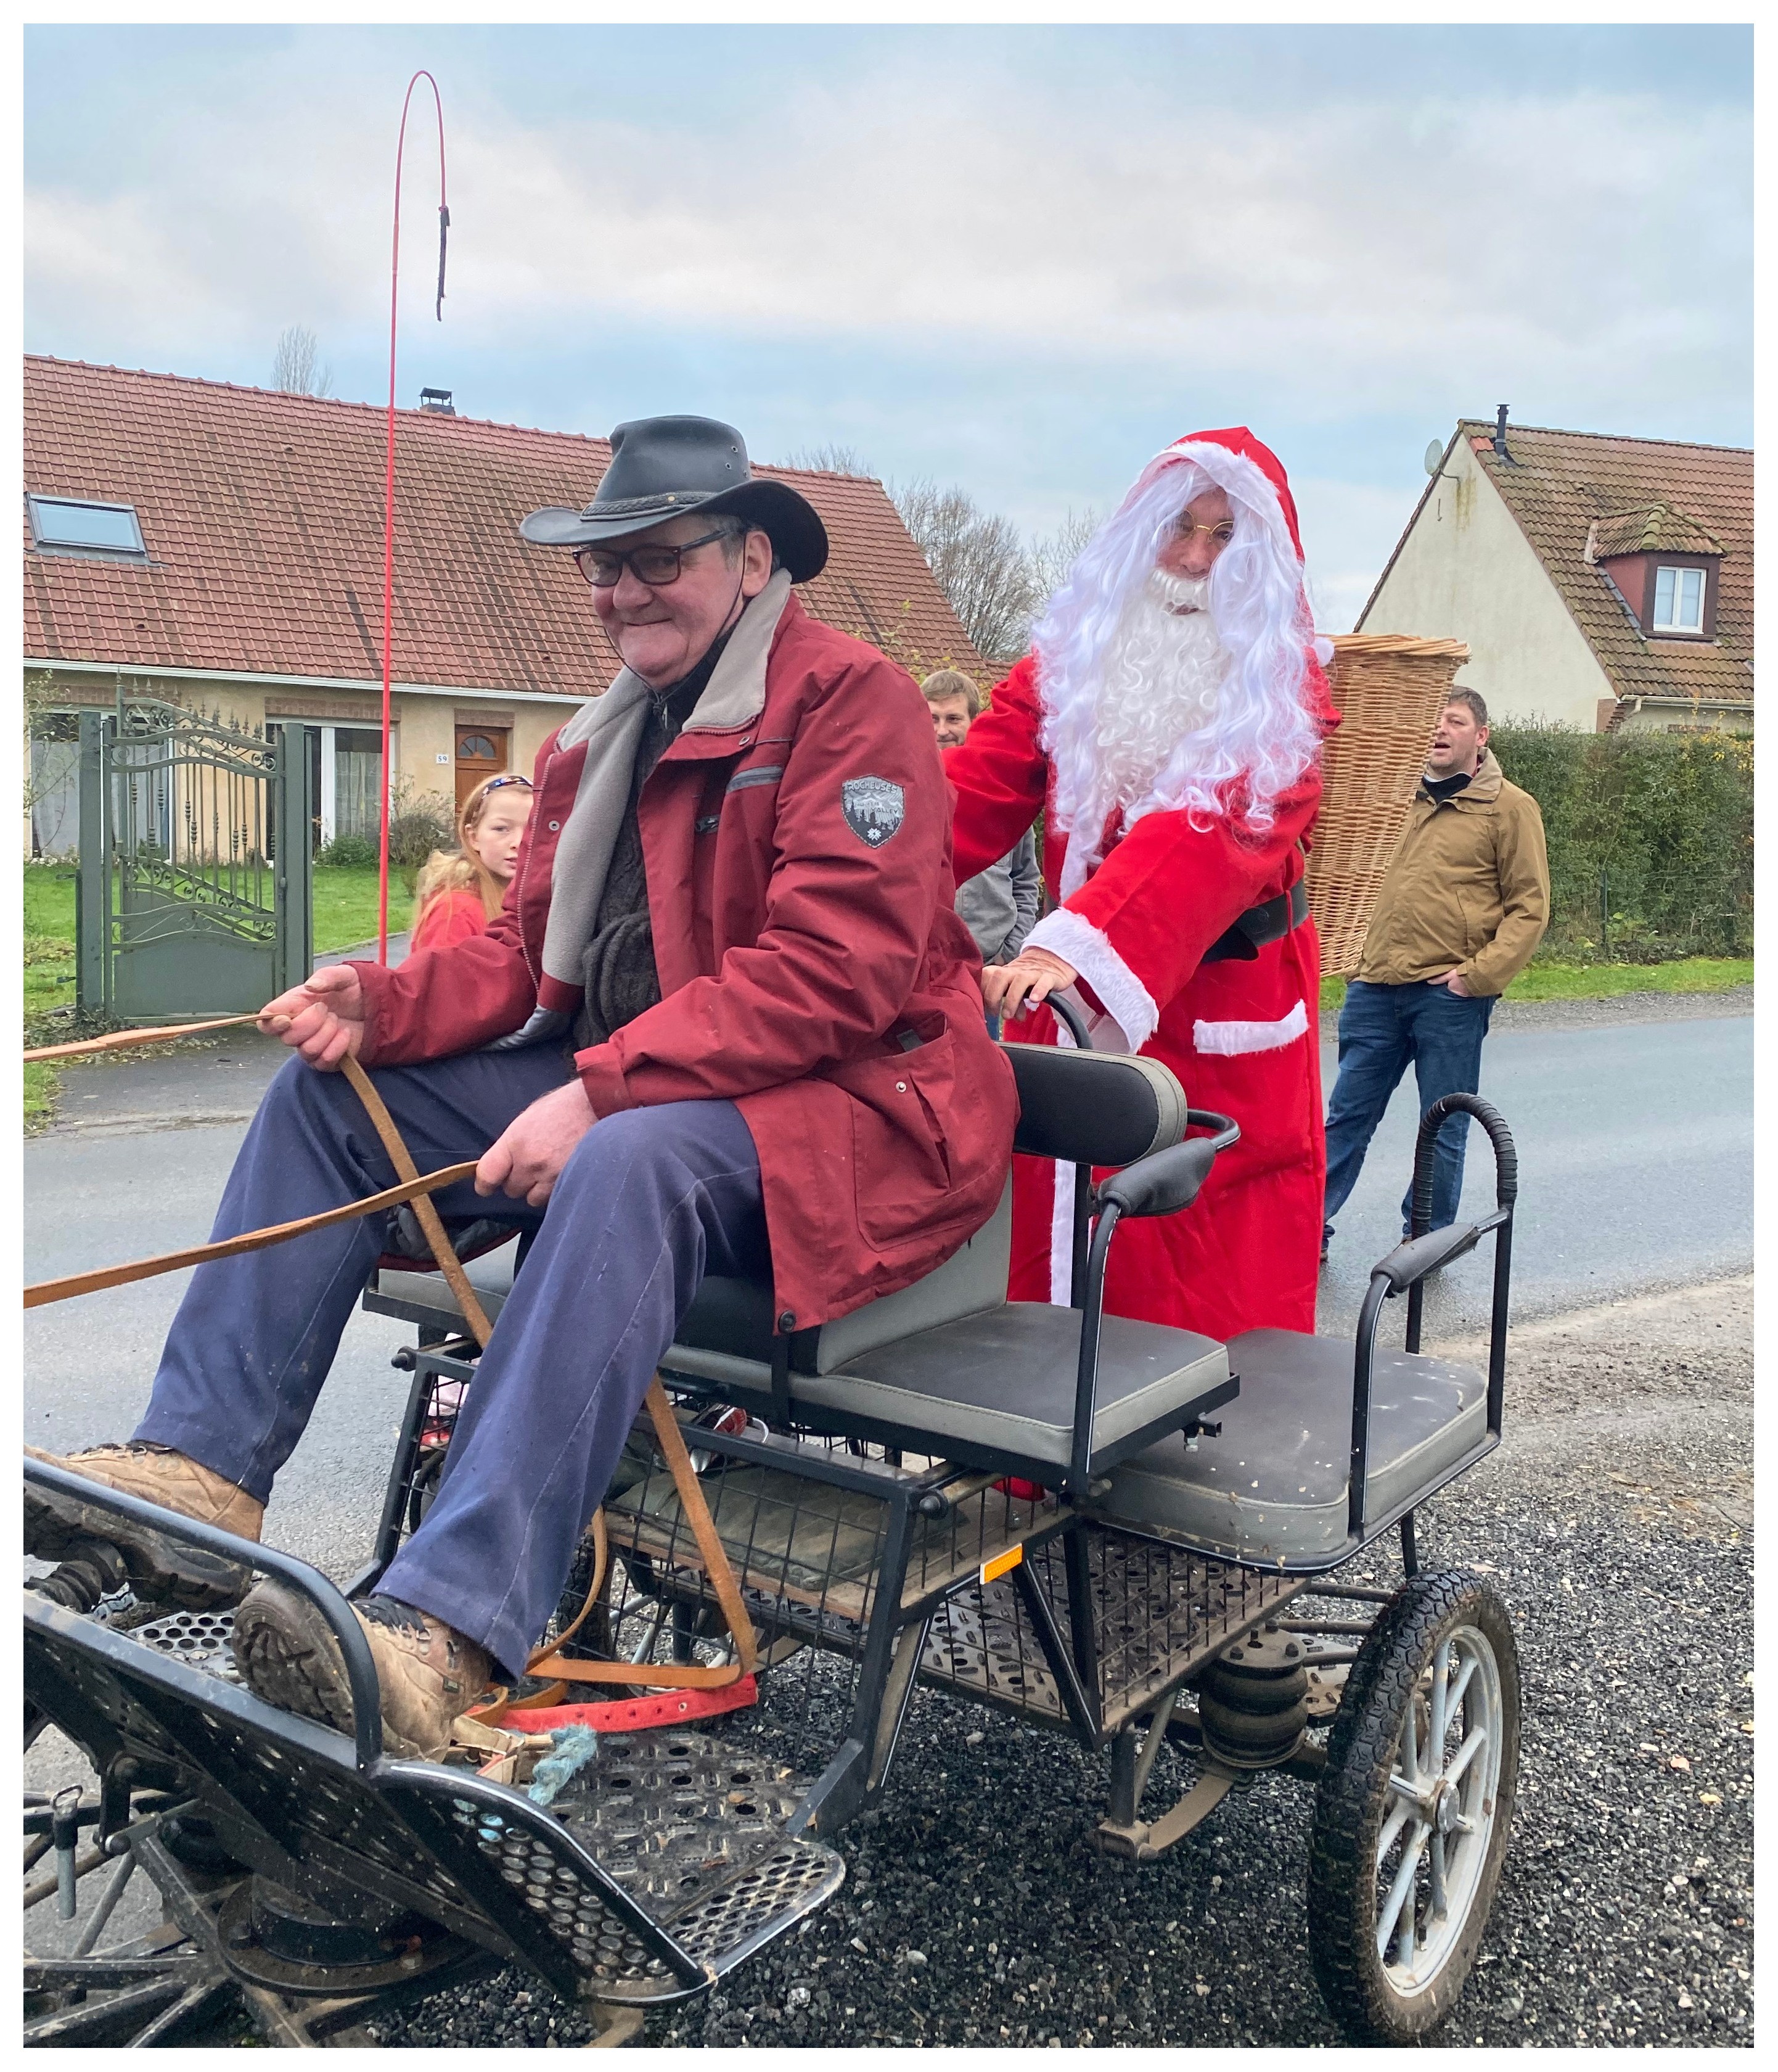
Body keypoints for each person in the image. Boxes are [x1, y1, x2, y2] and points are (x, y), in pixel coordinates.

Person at [25, 414, 1017, 1759]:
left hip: (858, 1113)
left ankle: (446, 1629)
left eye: (653, 560)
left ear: (750, 557)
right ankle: (205, 1475)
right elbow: (514, 960)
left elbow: (832, 978)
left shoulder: (851, 701)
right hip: (666, 1084)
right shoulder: (594, 740)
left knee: (626, 1159)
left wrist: (601, 1093)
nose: (619, 594)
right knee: (332, 1100)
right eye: (602, 568)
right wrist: (374, 1003)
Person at [943, 428, 1337, 1344]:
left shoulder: (1283, 695)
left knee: (1201, 1262)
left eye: (1224, 537)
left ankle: (1193, 1469)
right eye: (1181, 529)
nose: (1196, 559)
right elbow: (973, 786)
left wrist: (1069, 947)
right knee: (1064, 1226)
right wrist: (851, 870)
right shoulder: (1073, 657)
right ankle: (1044, 1460)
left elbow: (1210, 831)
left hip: (1222, 1011)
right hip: (1074, 994)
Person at [1321, 687, 1547, 1252]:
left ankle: (1425, 1240)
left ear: (1481, 737)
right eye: (1433, 720)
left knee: (1442, 1124)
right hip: (1374, 987)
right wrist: (1355, 960)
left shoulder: (1510, 808)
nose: (1440, 729)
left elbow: (1530, 907)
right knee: (1346, 1116)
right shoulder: (1396, 802)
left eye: (1455, 720)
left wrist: (1477, 978)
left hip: (1448, 994)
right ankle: (1306, 1228)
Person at [920, 669, 1041, 967]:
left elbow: (1025, 880)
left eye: (953, 719)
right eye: (933, 718)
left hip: (988, 967)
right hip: (923, 968)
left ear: (974, 721)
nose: (941, 730)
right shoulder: (908, 794)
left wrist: (1009, 953)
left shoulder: (1002, 798)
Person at [409, 773, 535, 953]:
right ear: (474, 837)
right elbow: (442, 978)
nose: (519, 842)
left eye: (532, 829)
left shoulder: (544, 899)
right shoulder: (455, 911)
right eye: (501, 829)